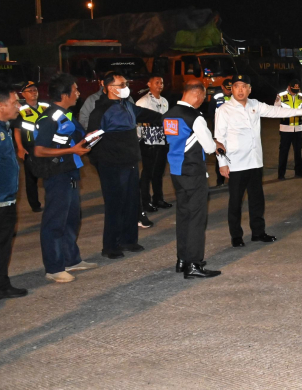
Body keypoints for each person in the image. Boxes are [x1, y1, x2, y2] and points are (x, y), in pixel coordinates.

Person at [214, 74, 302, 247]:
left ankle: (258, 232)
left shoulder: (255, 105)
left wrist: (301, 111)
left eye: (244, 86)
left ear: (249, 89)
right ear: (232, 89)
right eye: (237, 86)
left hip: (254, 162)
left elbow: (276, 111)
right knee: (235, 202)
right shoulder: (224, 110)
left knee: (257, 200)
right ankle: (236, 236)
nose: (240, 90)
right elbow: (219, 139)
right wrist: (222, 164)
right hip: (236, 164)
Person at [87, 73, 163, 259]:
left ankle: (129, 240)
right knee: (115, 205)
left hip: (130, 162)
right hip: (111, 165)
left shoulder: (127, 105)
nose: (126, 86)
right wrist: (101, 164)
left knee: (131, 202)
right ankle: (110, 245)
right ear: (111, 88)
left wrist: (170, 117)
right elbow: (91, 141)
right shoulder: (101, 111)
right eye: (122, 84)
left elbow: (148, 115)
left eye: (126, 83)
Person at [33, 74, 98, 283]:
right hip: (57, 175)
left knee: (71, 219)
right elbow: (39, 150)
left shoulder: (67, 115)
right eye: (75, 90)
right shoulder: (49, 118)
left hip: (70, 172)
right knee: (54, 222)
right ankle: (54, 267)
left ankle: (71, 259)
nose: (78, 93)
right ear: (64, 94)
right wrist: (72, 150)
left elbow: (71, 141)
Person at [164, 80, 221, 278]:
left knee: (183, 216)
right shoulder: (195, 117)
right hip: (193, 171)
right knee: (197, 218)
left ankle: (182, 259)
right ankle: (194, 264)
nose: (202, 102)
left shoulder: (169, 114)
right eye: (203, 98)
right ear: (196, 95)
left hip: (176, 171)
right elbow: (209, 147)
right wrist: (216, 143)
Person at [0, 85, 28, 309]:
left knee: (2, 245)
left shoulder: (1, 126)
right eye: (15, 103)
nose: (19, 106)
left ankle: (0, 285)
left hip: (6, 198)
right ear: (0, 106)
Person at [135, 75, 172, 213]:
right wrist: (141, 139)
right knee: (147, 172)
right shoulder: (143, 102)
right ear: (149, 84)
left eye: (161, 82)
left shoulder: (164, 101)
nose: (160, 85)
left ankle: (158, 198)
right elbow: (137, 123)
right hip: (148, 139)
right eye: (157, 82)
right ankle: (145, 201)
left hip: (162, 139)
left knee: (159, 171)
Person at [12, 81, 49, 212]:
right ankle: (35, 205)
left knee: (49, 174)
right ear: (23, 94)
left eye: (35, 90)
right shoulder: (20, 110)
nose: (34, 93)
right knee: (31, 178)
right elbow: (16, 130)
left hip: (46, 145)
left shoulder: (45, 107)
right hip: (30, 147)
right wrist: (20, 148)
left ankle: (51, 200)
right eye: (30, 91)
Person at [275, 79, 302, 180]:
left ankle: (299, 172)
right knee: (284, 152)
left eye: (297, 89)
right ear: (289, 87)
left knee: (298, 151)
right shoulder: (281, 96)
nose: (295, 92)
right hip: (285, 129)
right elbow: (275, 110)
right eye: (293, 89)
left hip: (298, 128)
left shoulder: (301, 96)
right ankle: (281, 175)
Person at [207, 78, 233, 187]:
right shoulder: (216, 97)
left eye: (230, 89)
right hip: (220, 132)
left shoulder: (236, 97)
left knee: (232, 154)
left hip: (232, 131)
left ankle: (232, 178)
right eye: (227, 89)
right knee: (220, 154)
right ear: (222, 87)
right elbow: (210, 113)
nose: (229, 91)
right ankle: (220, 180)